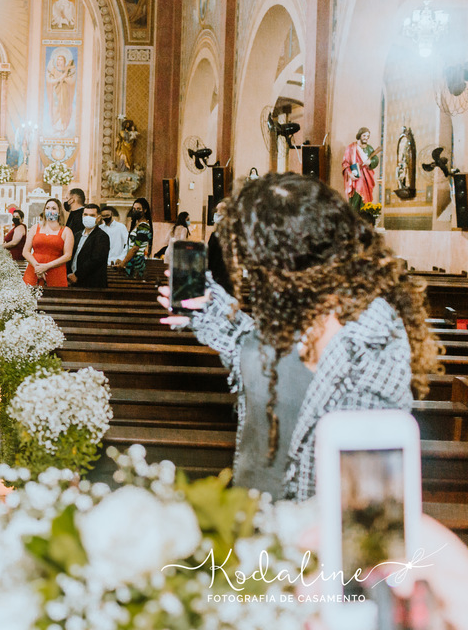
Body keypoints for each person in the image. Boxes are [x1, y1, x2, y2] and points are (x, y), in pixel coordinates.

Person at [161, 173, 440, 500]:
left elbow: (369, 490)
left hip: (312, 531)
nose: (250, 266)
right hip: (253, 512)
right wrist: (206, 310)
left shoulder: (371, 331)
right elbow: (256, 354)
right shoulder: (292, 302)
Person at [22, 198, 74, 288]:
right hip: (34, 269)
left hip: (55, 271)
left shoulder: (66, 231)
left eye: (54, 208)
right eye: (47, 208)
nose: (50, 211)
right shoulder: (35, 228)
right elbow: (25, 251)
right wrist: (37, 267)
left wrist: (46, 266)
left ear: (59, 212)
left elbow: (68, 255)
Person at [68, 203, 109, 288]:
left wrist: (77, 275)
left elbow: (96, 259)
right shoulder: (77, 235)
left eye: (92, 215)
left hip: (91, 284)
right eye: (85, 214)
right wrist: (69, 274)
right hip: (73, 281)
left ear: (98, 218)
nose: (88, 217)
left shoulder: (102, 236)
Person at [342, 126, 379, 211]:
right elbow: (345, 163)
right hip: (356, 177)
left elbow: (375, 159)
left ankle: (363, 216)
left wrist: (370, 162)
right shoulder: (351, 148)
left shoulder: (369, 148)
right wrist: (350, 174)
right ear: (359, 135)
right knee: (356, 197)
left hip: (367, 177)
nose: (366, 138)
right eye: (364, 136)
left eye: (367, 136)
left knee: (365, 200)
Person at [117, 197, 153, 279]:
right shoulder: (138, 224)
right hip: (131, 261)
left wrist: (124, 262)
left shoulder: (144, 226)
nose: (135, 211)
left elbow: (135, 248)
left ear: (145, 210)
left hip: (137, 263)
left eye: (138, 209)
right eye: (134, 209)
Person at [207, 199, 232, 292]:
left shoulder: (216, 235)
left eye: (220, 211)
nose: (217, 213)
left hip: (219, 275)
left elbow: (209, 257)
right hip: (225, 275)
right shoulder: (232, 235)